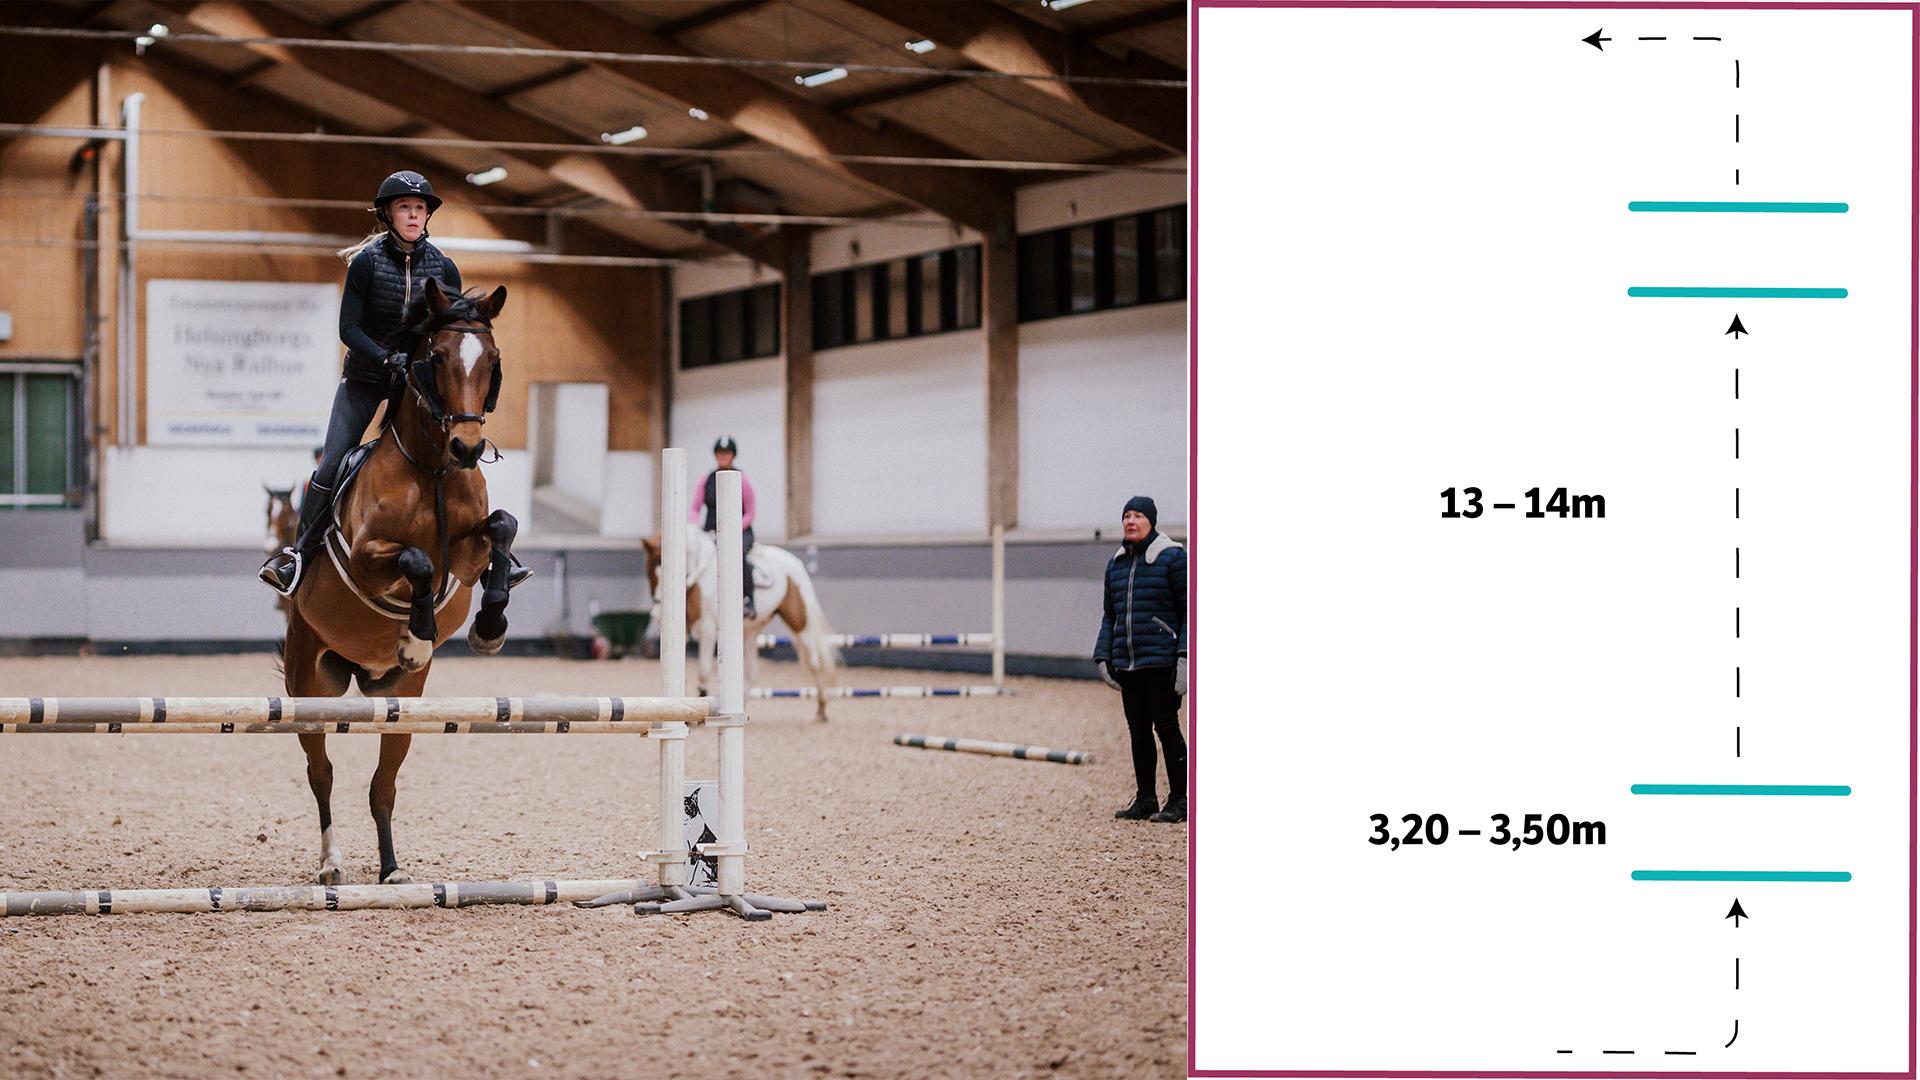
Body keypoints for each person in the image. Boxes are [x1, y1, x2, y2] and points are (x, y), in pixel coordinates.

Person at [260, 170, 517, 595]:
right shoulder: (366, 263)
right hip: (365, 378)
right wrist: (385, 357)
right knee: (331, 462)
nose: (413, 215)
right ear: (388, 215)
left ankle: (487, 556)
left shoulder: (444, 267)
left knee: (457, 454)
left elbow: (452, 332)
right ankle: (298, 557)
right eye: (405, 208)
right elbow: (348, 328)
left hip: (416, 385)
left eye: (419, 208)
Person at [1094, 495, 1188, 824]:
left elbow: (1190, 611)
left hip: (1162, 661)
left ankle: (1180, 801)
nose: (1131, 521)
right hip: (1130, 663)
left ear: (1151, 521)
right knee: (1138, 732)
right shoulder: (1116, 564)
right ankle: (1146, 798)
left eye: (1138, 516)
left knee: (1167, 728)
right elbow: (1110, 615)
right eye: (1127, 516)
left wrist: (1185, 657)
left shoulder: (1173, 558)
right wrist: (1103, 653)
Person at [690, 436, 757, 619]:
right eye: (720, 453)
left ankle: (747, 599)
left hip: (739, 533)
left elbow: (750, 512)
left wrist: (734, 529)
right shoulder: (706, 479)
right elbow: (695, 508)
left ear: (733, 455)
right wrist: (695, 527)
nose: (723, 456)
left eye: (726, 453)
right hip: (711, 531)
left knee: (738, 554)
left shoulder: (743, 479)